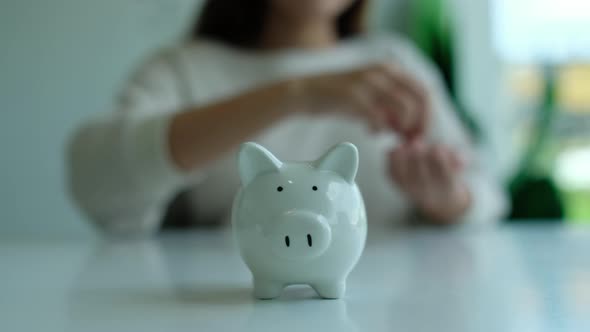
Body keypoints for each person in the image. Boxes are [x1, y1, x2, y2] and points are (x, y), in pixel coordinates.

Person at [67, 0, 507, 236]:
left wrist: (447, 199)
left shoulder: (394, 64)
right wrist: (297, 93)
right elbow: (97, 179)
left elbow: (487, 195)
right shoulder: (185, 69)